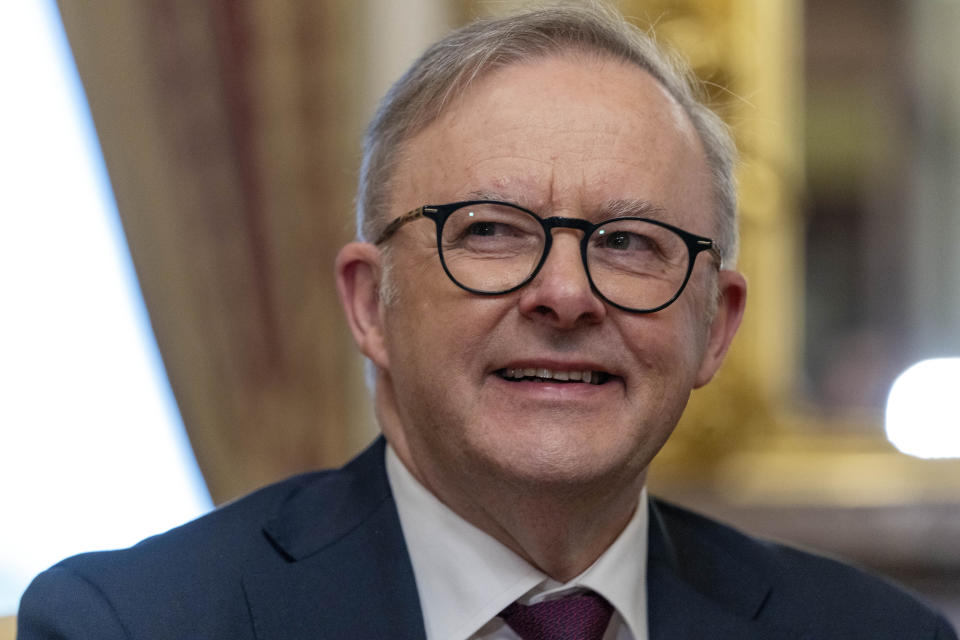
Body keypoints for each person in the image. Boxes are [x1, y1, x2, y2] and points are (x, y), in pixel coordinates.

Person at [18, 4, 958, 639]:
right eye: (492, 232)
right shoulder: (134, 624)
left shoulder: (877, 632)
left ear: (716, 324)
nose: (566, 294)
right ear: (367, 303)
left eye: (630, 241)